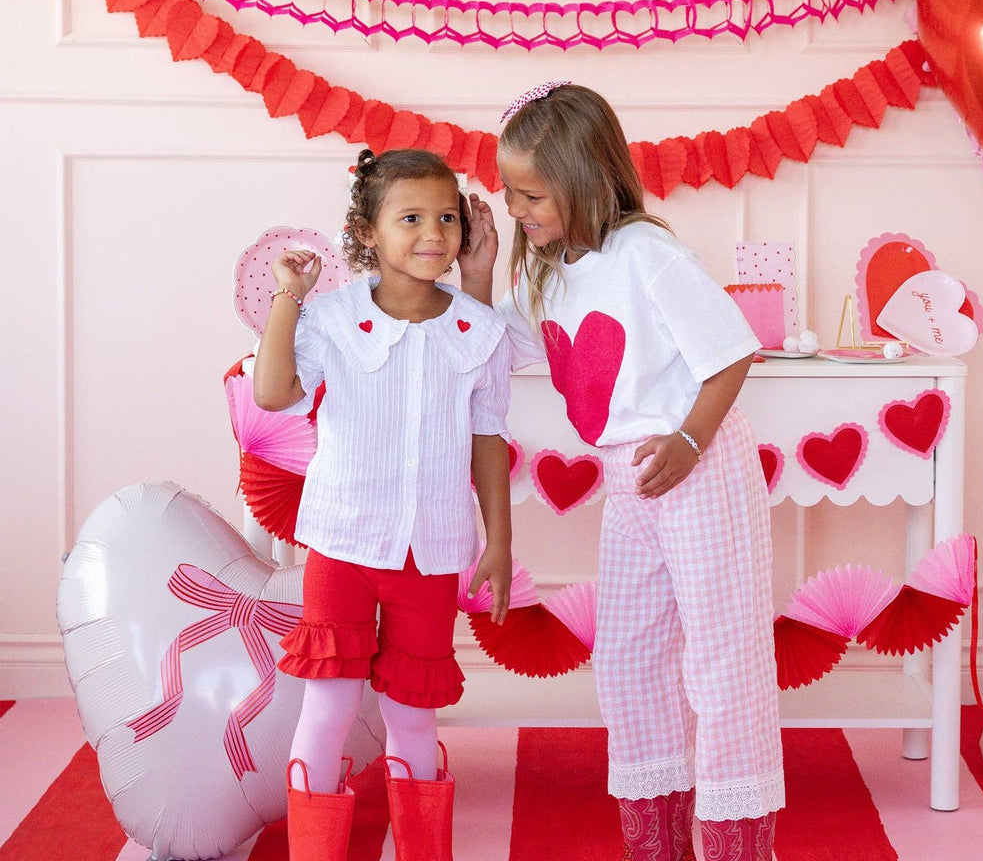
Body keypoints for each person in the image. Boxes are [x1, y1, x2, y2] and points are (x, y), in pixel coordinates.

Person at [461, 82, 782, 861]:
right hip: (629, 482)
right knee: (631, 655)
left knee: (720, 657)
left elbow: (732, 349)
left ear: (583, 177)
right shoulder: (549, 273)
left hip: (694, 469)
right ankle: (660, 843)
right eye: (510, 193)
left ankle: (738, 846)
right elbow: (491, 346)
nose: (518, 208)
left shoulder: (646, 255)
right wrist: (481, 274)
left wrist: (690, 441)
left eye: (532, 194)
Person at [254, 148, 513, 861]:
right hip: (343, 545)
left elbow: (488, 439)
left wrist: (500, 541)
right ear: (367, 231)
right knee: (329, 706)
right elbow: (273, 393)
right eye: (410, 218)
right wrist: (289, 296)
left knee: (413, 717)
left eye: (447, 218)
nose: (433, 233)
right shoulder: (330, 318)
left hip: (430, 552)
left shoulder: (479, 330)